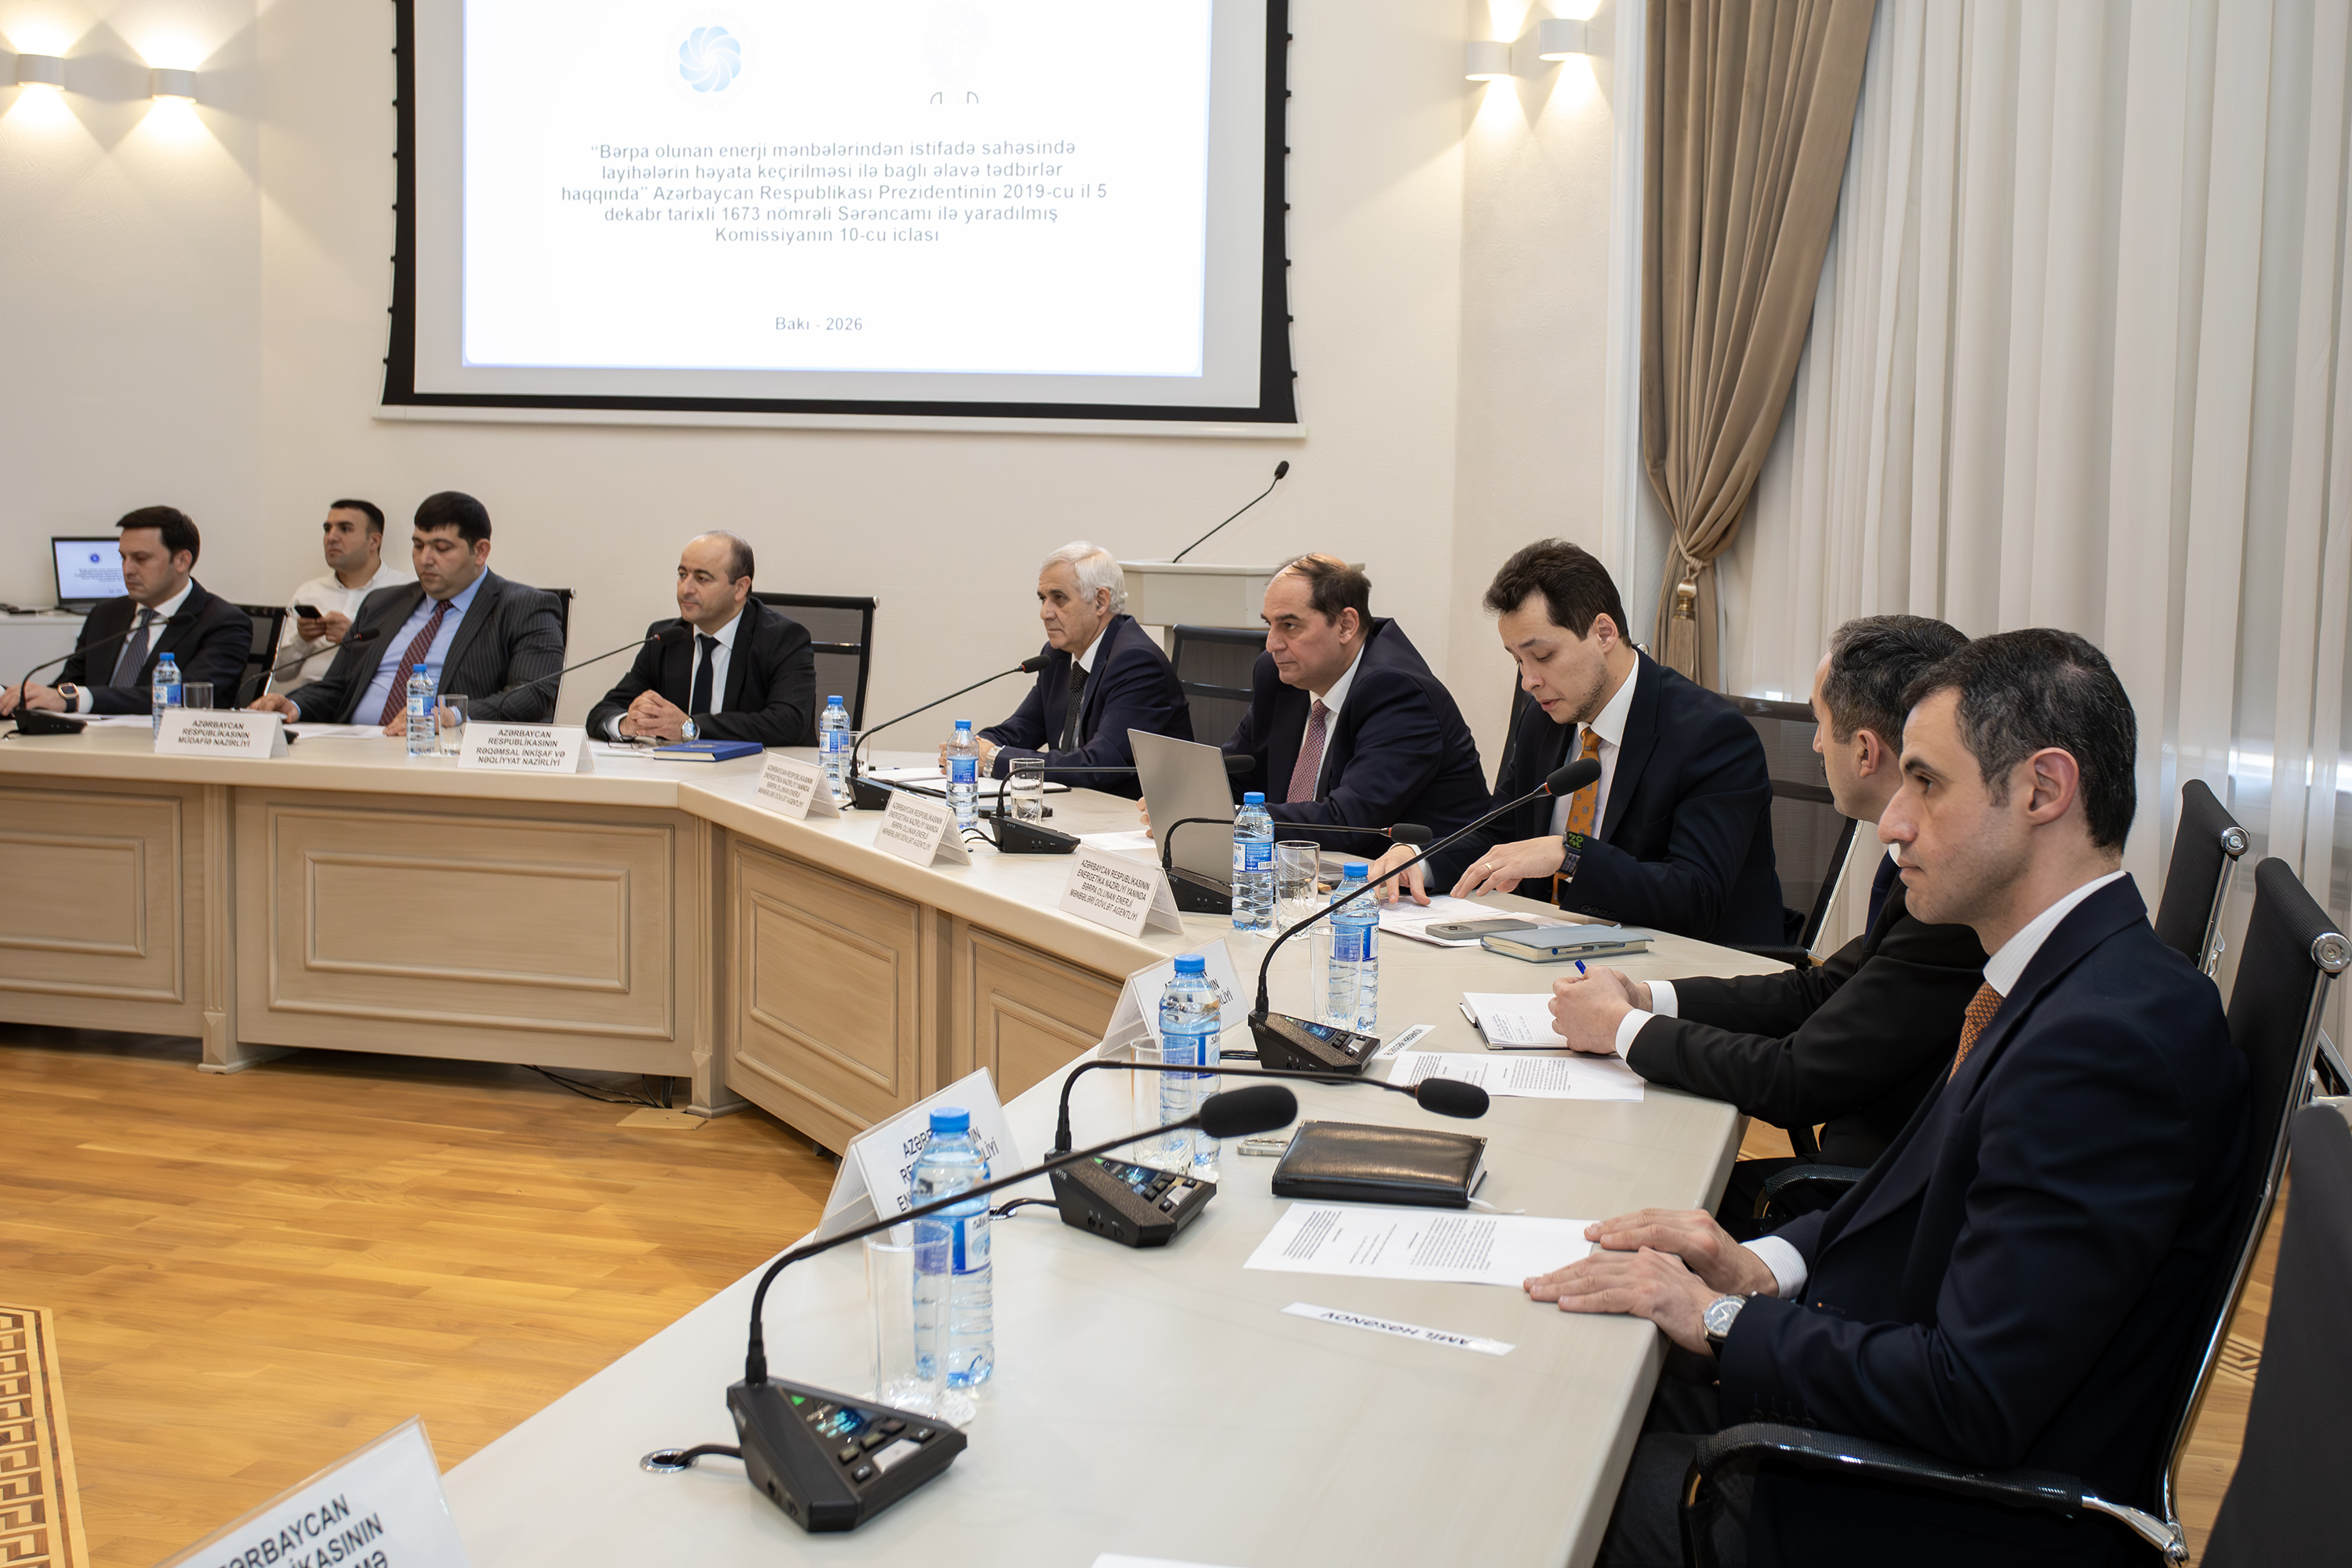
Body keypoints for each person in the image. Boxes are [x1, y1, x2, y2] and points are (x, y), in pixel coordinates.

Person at [1531, 630, 2249, 1567]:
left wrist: (1718, 1317)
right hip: (1873, 1377)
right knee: (1578, 1370)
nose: (1893, 822)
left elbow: (1973, 1395)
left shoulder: (2106, 1048)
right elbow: (1912, 1195)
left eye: (1928, 783)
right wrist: (1758, 1266)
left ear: (2043, 789)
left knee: (1551, 1477)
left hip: (1934, 1518)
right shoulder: (2059, 977)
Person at [1547, 615, 1987, 1234]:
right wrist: (1647, 998)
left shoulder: (1954, 895)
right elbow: (1824, 989)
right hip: (1859, 1168)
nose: (1814, 746)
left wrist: (1623, 1028)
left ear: (1865, 750)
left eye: (1818, 724)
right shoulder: (1920, 869)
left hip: (1868, 1205)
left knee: (1610, 1191)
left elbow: (1796, 1078)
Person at [1378, 539, 1783, 945]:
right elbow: (1499, 836)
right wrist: (1418, 860)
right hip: (1556, 949)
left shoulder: (1711, 734)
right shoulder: (1544, 719)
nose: (1528, 681)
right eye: (1518, 660)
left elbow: (1697, 897)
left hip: (1688, 964)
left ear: (1604, 633)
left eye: (1543, 656)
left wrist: (1571, 854)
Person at [1214, 554, 1488, 856]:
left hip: (1419, 876)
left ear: (1346, 625)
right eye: (1270, 625)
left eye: (1289, 625)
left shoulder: (1396, 691)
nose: (1272, 644)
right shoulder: (1279, 676)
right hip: (1311, 868)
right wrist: (1194, 799)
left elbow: (1347, 823)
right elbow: (1230, 776)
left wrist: (1231, 819)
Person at [249, 492, 564, 729]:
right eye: (418, 545)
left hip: (441, 754)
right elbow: (339, 686)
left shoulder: (524, 607)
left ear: (480, 551)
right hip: (352, 746)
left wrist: (452, 715)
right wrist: (293, 704)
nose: (425, 559)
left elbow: (532, 695)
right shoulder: (382, 603)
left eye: (441, 548)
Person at [956, 543, 1190, 797]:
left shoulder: (1136, 662)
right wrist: (972, 747)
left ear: (1100, 602)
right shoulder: (1057, 656)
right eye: (1043, 599)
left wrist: (994, 759)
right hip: (1079, 806)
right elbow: (1022, 728)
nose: (1045, 613)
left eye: (1059, 598)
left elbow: (1100, 764)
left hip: (1127, 814)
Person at [2, 506, 251, 717]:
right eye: (123, 557)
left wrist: (76, 699)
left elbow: (186, 697)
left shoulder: (223, 622)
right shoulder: (106, 614)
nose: (127, 570)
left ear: (181, 561)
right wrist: (23, 699)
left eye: (141, 559)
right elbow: (68, 686)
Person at [585, 532, 817, 746]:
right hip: (678, 772)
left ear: (740, 588)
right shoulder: (665, 638)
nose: (686, 589)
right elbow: (603, 712)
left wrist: (691, 728)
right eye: (682, 575)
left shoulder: (783, 638)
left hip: (752, 773)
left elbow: (789, 722)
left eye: (702, 578)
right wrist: (628, 723)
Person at [270, 499, 414, 693]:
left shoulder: (407, 592)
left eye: (345, 529)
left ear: (374, 541)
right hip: (309, 702)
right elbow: (280, 674)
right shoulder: (309, 592)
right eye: (327, 529)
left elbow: (416, 665)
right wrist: (302, 640)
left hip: (371, 699)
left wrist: (354, 640)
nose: (331, 537)